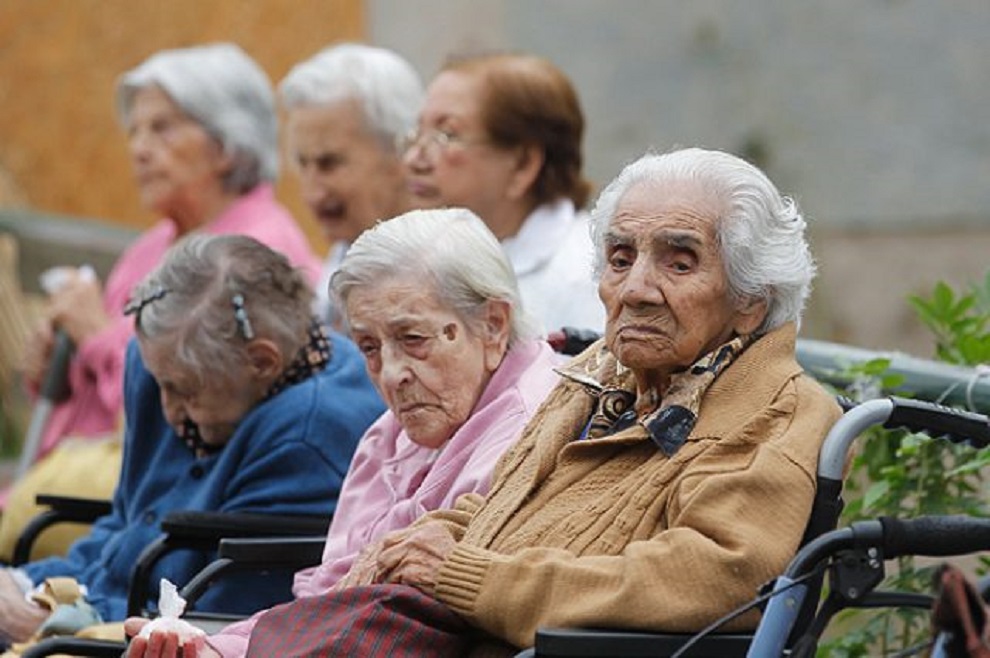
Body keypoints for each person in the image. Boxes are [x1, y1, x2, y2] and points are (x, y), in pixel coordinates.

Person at [216, 147, 844, 656]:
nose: (636, 289)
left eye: (679, 264)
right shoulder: (603, 374)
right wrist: (426, 540)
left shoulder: (776, 410)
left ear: (750, 301)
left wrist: (473, 578)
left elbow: (716, 575)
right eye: (620, 258)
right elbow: (500, 502)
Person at [125, 207, 561, 657]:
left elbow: (407, 624)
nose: (391, 374)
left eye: (413, 339)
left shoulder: (529, 432)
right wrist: (210, 646)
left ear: (492, 325)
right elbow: (329, 602)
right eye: (368, 347)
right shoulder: (390, 432)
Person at [5, 43, 321, 547]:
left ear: (226, 143)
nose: (139, 148)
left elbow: (188, 414)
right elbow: (99, 398)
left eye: (163, 127)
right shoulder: (151, 246)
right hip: (97, 491)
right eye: (135, 131)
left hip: (167, 505)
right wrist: (55, 374)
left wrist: (95, 339)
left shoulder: (255, 251)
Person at [0, 234, 383, 645]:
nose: (168, 409)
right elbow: (125, 526)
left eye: (185, 390)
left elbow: (224, 619)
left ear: (262, 361)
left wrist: (56, 621)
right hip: (101, 607)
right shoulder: (161, 364)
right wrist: (29, 584)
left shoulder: (312, 434)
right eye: (159, 383)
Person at [404, 51, 605, 335]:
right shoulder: (424, 258)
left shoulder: (588, 276)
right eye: (417, 132)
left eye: (447, 135)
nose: (413, 159)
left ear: (523, 164)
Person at [279, 43, 424, 325]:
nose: (312, 193)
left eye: (328, 164)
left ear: (401, 151)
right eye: (302, 164)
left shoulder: (446, 276)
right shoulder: (347, 252)